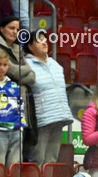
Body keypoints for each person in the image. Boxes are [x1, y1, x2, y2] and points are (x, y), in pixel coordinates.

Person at [23, 31, 76, 166]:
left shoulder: (55, 64)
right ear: (30, 46)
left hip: (58, 115)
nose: (44, 42)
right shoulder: (26, 65)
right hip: (41, 118)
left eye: (45, 39)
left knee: (52, 158)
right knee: (37, 158)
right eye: (39, 40)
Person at [0, 48, 23, 166]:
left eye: (5, 65)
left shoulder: (14, 85)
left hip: (15, 132)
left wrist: (21, 126)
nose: (2, 68)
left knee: (14, 167)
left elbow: (21, 107)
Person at [0, 17, 34, 87]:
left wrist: (14, 81)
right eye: (12, 28)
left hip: (16, 90)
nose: (15, 32)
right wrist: (27, 71)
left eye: (17, 30)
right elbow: (11, 71)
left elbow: (32, 77)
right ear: (1, 29)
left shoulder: (18, 47)